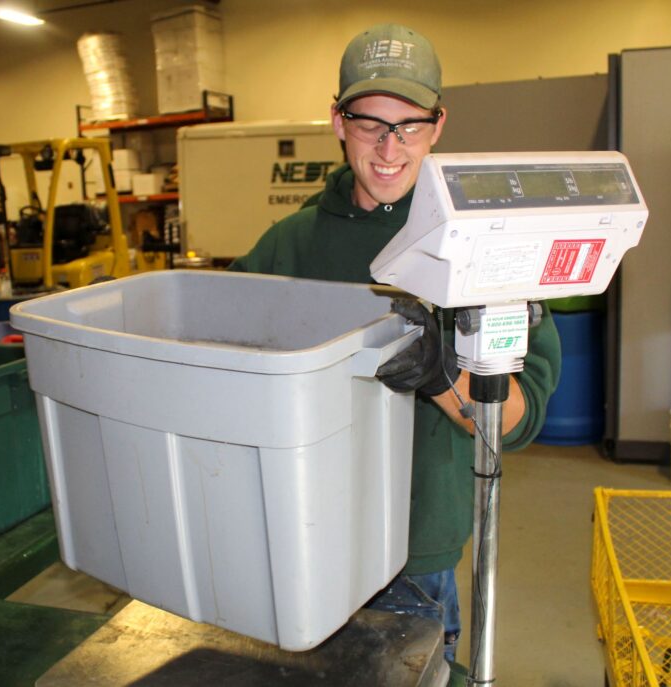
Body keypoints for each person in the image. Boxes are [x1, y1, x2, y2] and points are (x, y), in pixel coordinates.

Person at [228, 23, 561, 668]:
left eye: (409, 125)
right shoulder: (288, 245)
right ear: (337, 120)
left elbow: (517, 424)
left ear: (438, 126)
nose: (389, 146)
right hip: (296, 537)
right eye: (369, 122)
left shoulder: (484, 247)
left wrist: (440, 376)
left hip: (412, 555)